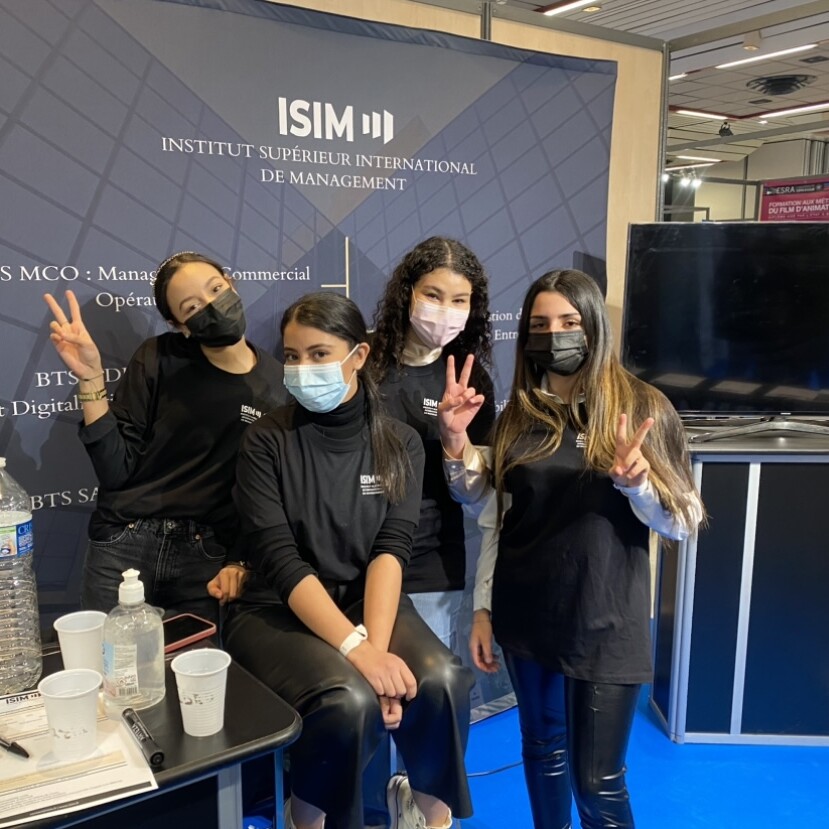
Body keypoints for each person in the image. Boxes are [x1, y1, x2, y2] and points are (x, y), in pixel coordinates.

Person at [440, 269, 704, 829]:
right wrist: (483, 610)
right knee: (542, 751)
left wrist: (638, 486)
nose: (553, 334)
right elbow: (496, 517)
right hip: (527, 617)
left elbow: (683, 521)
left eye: (569, 322)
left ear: (594, 327)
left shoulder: (640, 406)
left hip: (604, 622)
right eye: (539, 325)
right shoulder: (520, 412)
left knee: (597, 785)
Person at [224, 292, 474, 829]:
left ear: (358, 356)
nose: (302, 368)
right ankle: (305, 817)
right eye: (292, 356)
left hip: (367, 602)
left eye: (319, 354)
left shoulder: (400, 442)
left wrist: (375, 653)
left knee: (442, 680)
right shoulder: (266, 441)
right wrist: (360, 655)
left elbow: (391, 549)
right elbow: (281, 561)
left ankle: (431, 817)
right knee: (349, 701)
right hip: (276, 608)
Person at [43, 252, 287, 625]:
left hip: (205, 556)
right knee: (110, 659)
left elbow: (262, 491)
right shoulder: (158, 357)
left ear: (231, 284)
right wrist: (91, 378)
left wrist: (240, 559)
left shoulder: (277, 385)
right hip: (125, 544)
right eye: (192, 307)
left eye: (216, 289)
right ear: (180, 325)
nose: (212, 305)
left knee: (193, 661)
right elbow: (114, 470)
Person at [369, 236, 495, 651]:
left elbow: (475, 497)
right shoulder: (362, 362)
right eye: (433, 295)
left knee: (424, 682)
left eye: (459, 300)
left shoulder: (471, 381)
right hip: (355, 557)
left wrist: (453, 437)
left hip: (429, 565)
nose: (445, 310)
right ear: (407, 293)